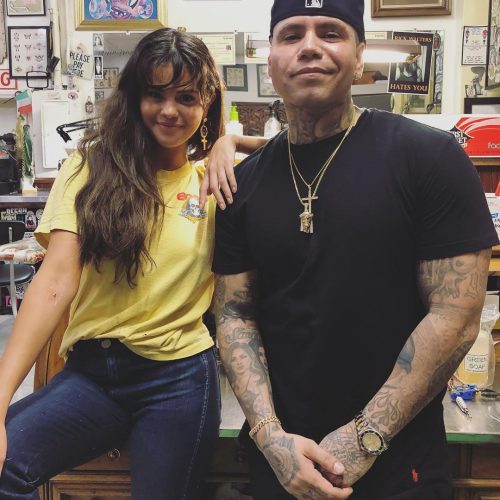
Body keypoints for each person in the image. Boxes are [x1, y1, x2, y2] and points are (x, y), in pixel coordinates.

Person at [211, 1, 499, 499]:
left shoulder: (429, 158)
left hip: (399, 464)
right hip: (283, 463)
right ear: (270, 61)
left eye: (331, 32)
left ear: (360, 57)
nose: (310, 47)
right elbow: (235, 315)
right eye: (291, 35)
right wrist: (270, 436)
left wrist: (365, 437)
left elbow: (455, 316)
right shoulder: (243, 185)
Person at [0, 27, 229, 500]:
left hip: (179, 378)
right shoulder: (88, 168)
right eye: (155, 94)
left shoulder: (215, 181)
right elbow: (54, 282)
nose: (169, 110)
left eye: (186, 97)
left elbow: (298, 154)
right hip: (93, 376)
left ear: (206, 102)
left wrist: (232, 142)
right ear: (134, 97)